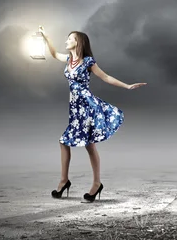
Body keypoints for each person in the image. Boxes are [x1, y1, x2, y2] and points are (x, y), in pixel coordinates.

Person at [38, 25, 146, 202]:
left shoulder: (88, 62)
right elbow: (53, 54)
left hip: (87, 106)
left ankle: (94, 183)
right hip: (75, 108)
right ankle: (65, 180)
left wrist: (127, 86)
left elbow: (106, 77)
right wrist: (46, 38)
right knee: (65, 142)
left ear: (78, 42)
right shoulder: (68, 60)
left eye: (70, 38)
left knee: (87, 144)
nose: (66, 40)